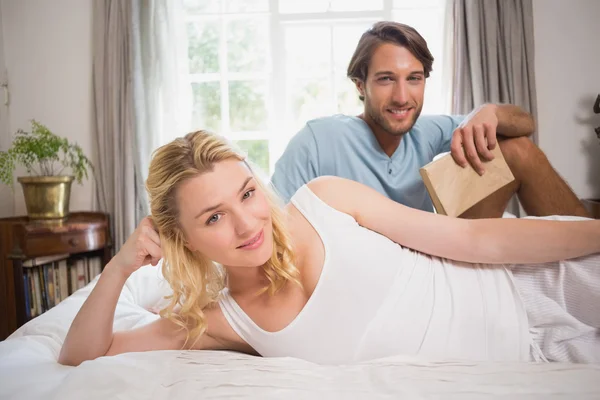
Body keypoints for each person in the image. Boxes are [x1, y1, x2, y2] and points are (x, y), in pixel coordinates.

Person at [58, 130, 600, 367]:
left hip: (535, 283)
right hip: (534, 360)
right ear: (182, 238)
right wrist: (123, 264)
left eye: (246, 193)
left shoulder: (324, 201)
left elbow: (472, 237)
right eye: (215, 217)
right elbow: (82, 354)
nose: (248, 223)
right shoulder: (223, 321)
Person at [271, 21, 590, 219]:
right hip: (359, 269)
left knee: (517, 149)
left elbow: (524, 124)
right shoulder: (316, 140)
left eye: (414, 78)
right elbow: (275, 222)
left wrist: (487, 111)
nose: (401, 97)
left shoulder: (427, 130)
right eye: (385, 79)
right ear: (360, 84)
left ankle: (589, 249)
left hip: (427, 258)